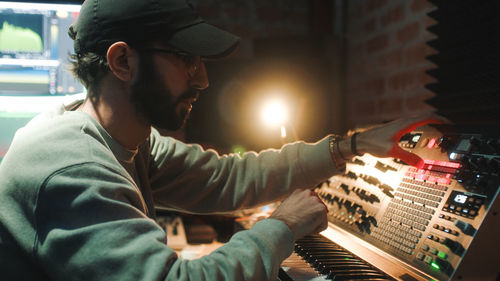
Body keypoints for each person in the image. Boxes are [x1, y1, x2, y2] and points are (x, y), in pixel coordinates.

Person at [0, 0, 439, 280]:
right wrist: (282, 227)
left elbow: (226, 177)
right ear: (121, 61)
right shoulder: (74, 169)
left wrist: (350, 146)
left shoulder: (120, 136)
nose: (204, 80)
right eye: (186, 60)